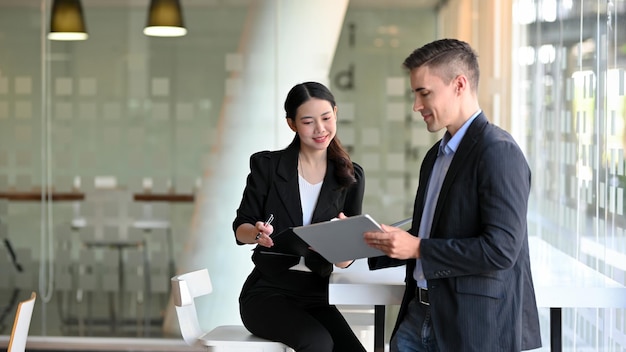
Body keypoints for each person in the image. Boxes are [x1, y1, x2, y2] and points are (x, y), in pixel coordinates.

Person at [364, 39, 542, 351]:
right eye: (415, 94)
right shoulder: (436, 155)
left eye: (424, 93)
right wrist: (359, 245)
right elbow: (428, 236)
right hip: (417, 316)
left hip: (471, 328)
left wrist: (418, 247)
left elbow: (501, 250)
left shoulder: (499, 152)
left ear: (459, 84)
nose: (416, 105)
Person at [232, 81, 367, 352]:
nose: (320, 129)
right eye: (308, 122)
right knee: (316, 342)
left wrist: (339, 244)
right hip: (267, 292)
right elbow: (240, 228)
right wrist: (257, 233)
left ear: (335, 114)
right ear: (292, 124)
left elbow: (345, 261)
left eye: (326, 118)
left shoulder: (350, 176)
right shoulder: (268, 166)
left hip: (315, 295)